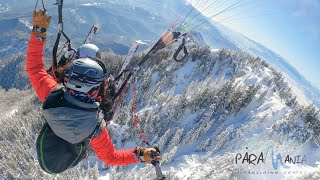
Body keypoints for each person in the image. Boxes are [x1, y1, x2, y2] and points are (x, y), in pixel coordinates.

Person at [26, 9, 161, 174]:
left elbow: (34, 68)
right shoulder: (96, 127)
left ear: (67, 79)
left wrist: (39, 31)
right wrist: (141, 155)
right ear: (96, 91)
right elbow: (111, 158)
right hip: (78, 142)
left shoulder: (52, 95)